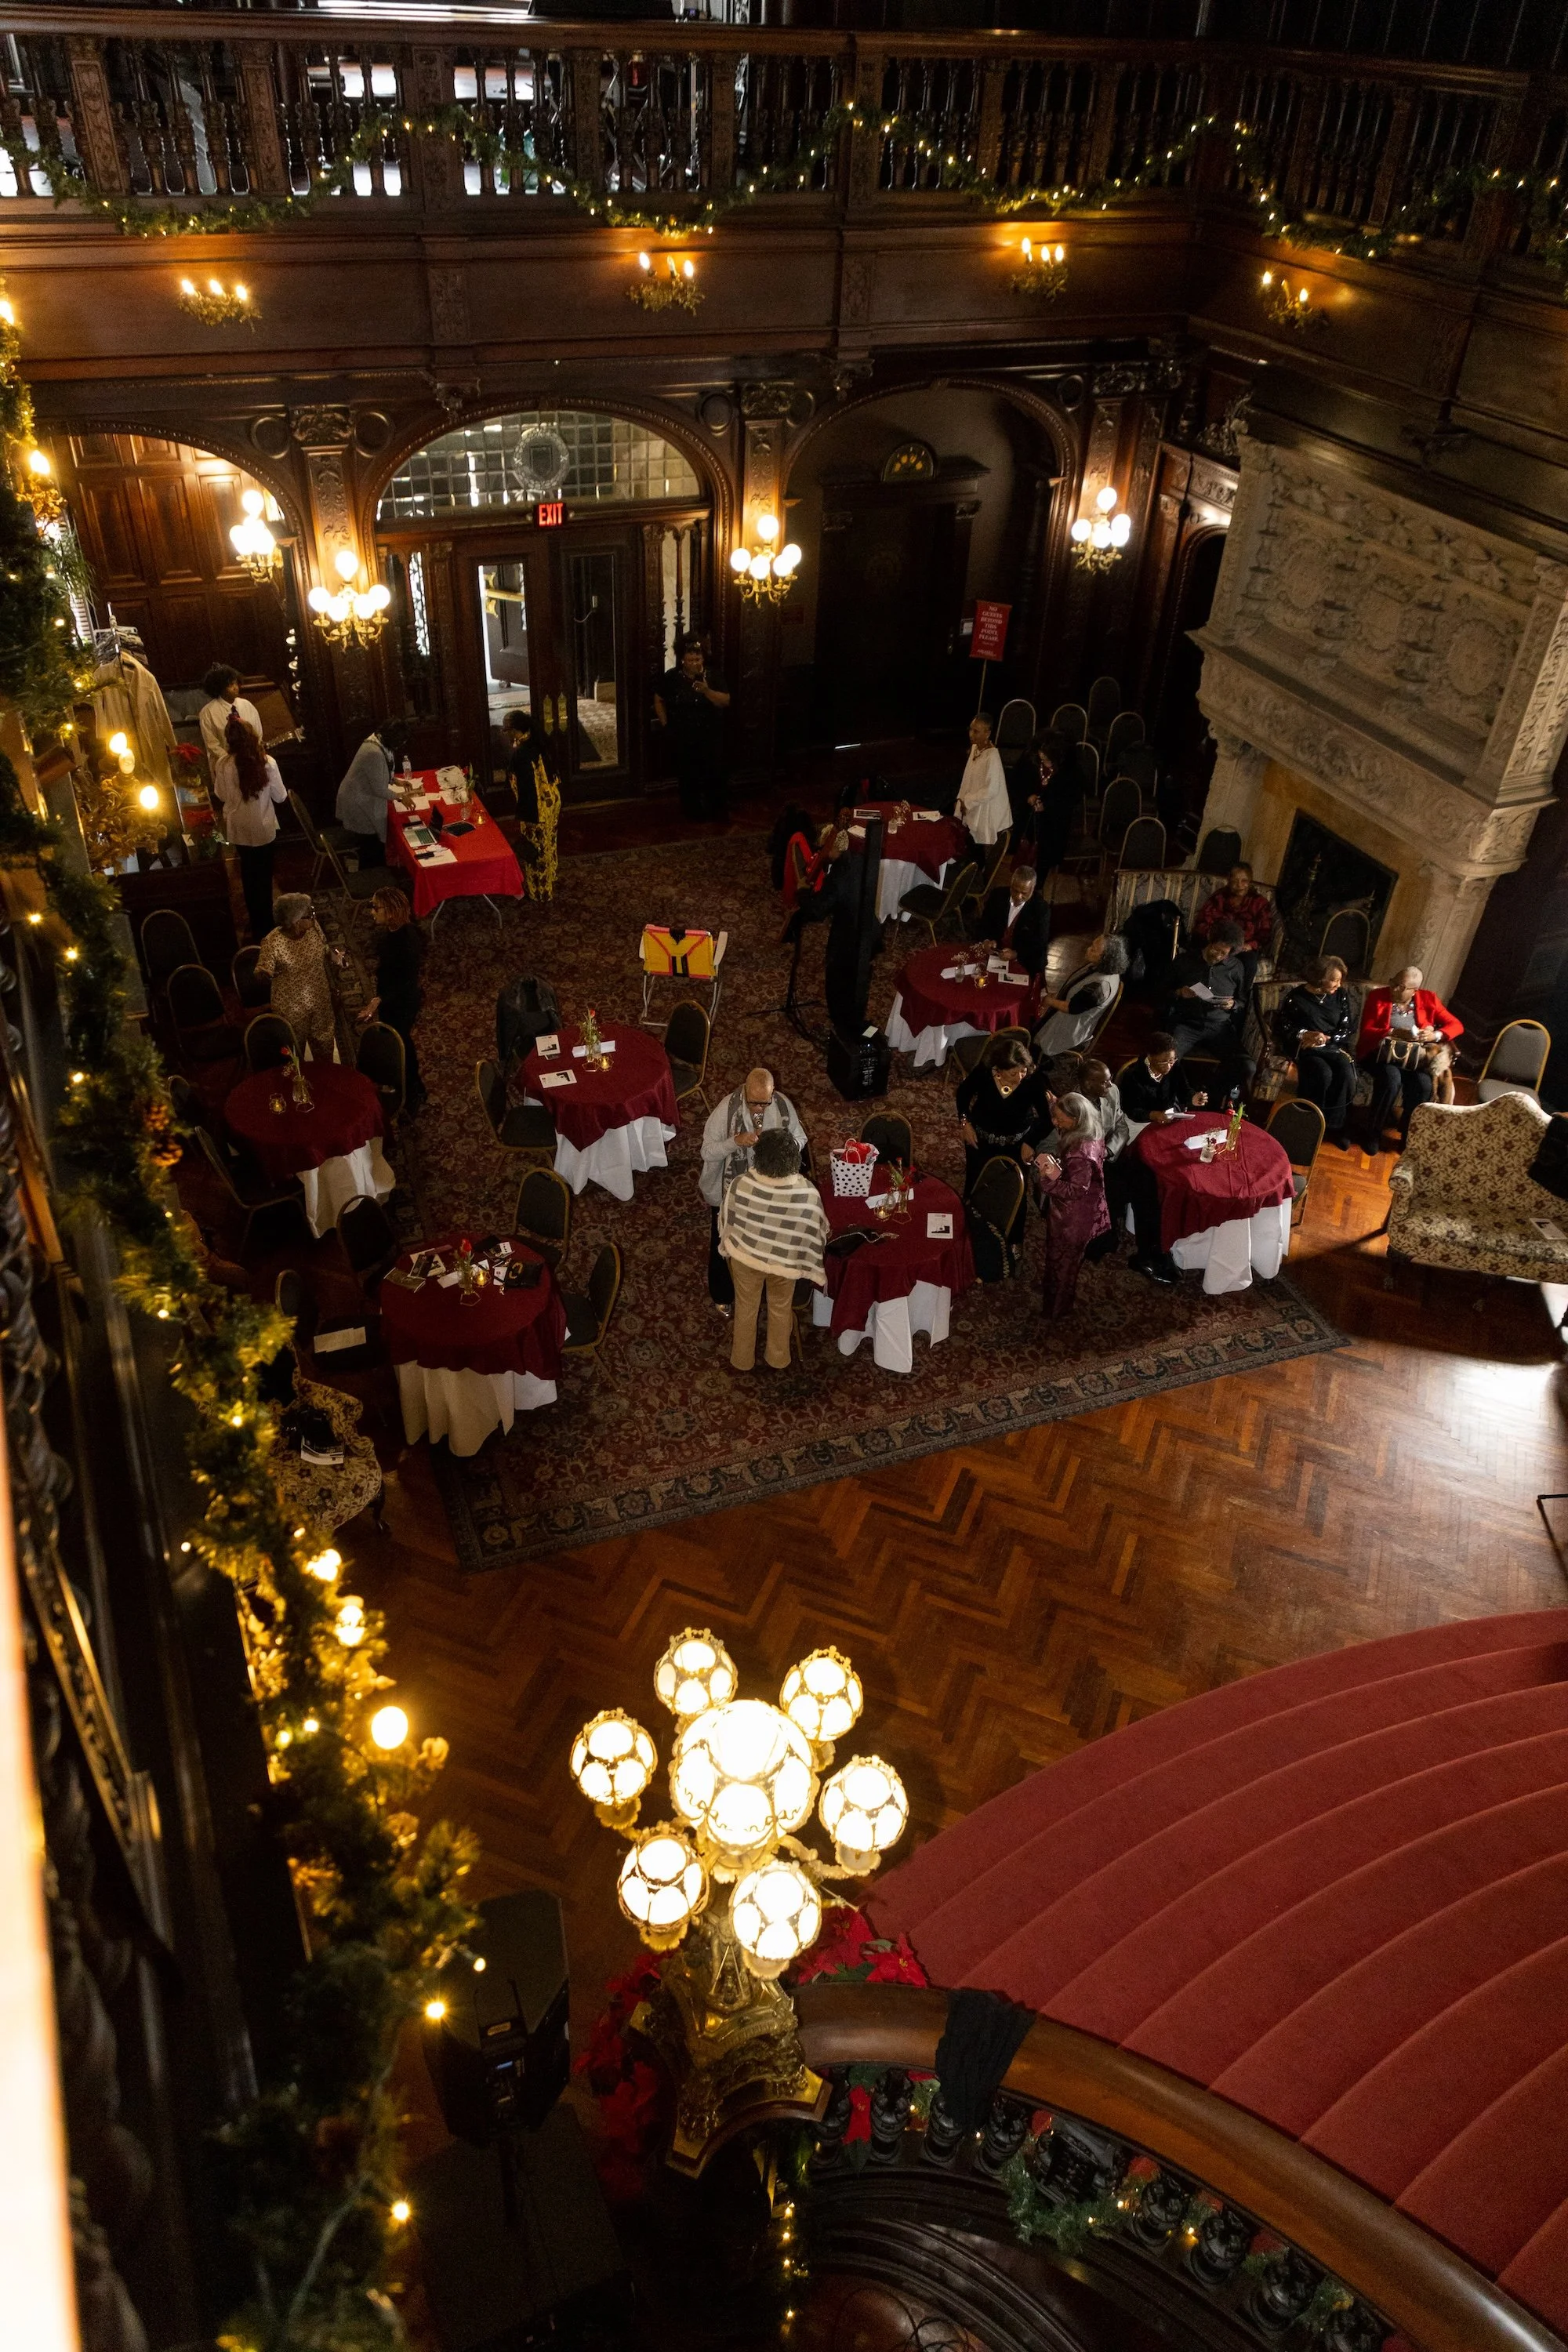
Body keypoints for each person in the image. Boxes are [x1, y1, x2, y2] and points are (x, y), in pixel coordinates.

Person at [719, 1127, 828, 1374]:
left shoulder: (741, 1183)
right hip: (784, 1263)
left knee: (746, 1307)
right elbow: (816, 1230)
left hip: (746, 1259)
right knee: (780, 1306)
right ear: (794, 1159)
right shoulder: (807, 1191)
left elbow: (729, 1223)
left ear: (759, 1157)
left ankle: (742, 1360)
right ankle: (778, 1358)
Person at [699, 1069, 808, 1308]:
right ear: (745, 1091)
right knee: (722, 1242)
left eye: (764, 1102)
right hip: (732, 1190)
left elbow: (801, 1138)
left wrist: (784, 1147)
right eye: (754, 1103)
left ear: (772, 1093)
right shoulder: (726, 1110)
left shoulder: (781, 1106)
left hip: (770, 1188)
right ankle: (723, 1294)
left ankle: (776, 1286)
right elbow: (706, 1152)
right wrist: (735, 1142)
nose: (759, 1109)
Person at [1357, 964, 1462, 1147]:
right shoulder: (1378, 996)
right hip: (1382, 1054)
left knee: (1424, 1084)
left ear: (1415, 990)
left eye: (1401, 986)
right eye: (1393, 982)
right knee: (1391, 1080)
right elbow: (1366, 1031)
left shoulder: (1429, 999)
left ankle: (1408, 1133)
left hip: (1414, 1058)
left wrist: (1434, 1035)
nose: (1393, 988)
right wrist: (1393, 1031)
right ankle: (1372, 1132)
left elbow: (1456, 1025)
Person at [209, 708, 286, 943]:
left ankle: (255, 922)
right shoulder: (267, 763)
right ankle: (267, 925)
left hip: (239, 829)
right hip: (263, 828)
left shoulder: (223, 764)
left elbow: (221, 795)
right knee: (264, 876)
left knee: (248, 875)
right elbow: (281, 797)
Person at [1035, 1093, 1109, 1317]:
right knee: (1063, 1260)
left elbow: (1076, 1190)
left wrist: (1047, 1181)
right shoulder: (1092, 1130)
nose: (1055, 1123)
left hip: (1072, 1217)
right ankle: (1055, 1297)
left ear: (1076, 1119)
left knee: (1063, 1263)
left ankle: (1055, 1309)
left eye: (1060, 1119)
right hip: (1085, 1208)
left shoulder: (1080, 1154)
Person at [357, 886, 427, 1114]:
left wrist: (377, 1001)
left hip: (401, 1002)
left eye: (375, 907)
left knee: (400, 1043)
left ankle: (411, 1091)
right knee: (401, 1042)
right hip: (395, 998)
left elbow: (404, 983)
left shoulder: (405, 943)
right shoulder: (398, 934)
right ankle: (412, 1088)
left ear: (391, 911)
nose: (371, 912)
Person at [1278, 954, 1359, 1145]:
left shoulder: (1341, 996)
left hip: (1333, 1047)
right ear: (1319, 978)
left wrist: (1329, 1038)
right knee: (1322, 1073)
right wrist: (1304, 1034)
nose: (1338, 985)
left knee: (1346, 1072)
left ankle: (1335, 1127)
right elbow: (1284, 1027)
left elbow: (1347, 1028)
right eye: (1334, 980)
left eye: (1340, 980)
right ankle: (1310, 1125)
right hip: (1307, 1049)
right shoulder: (1296, 997)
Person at [956, 1034, 1049, 1197]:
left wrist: (1030, 1143)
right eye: (1013, 1074)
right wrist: (965, 1123)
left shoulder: (1033, 1080)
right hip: (981, 1141)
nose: (1020, 1077)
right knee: (976, 1186)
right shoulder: (985, 1072)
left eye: (1023, 1071)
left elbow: (1047, 1119)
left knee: (1013, 1191)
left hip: (1017, 1145)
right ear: (998, 1069)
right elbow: (963, 1094)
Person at [256, 892, 344, 1062]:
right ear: (295, 922)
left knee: (325, 1048)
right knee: (295, 1056)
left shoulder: (313, 928)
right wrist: (264, 973)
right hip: (292, 1010)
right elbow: (262, 973)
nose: (313, 915)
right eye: (309, 914)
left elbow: (324, 948)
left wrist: (336, 957)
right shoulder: (272, 943)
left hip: (320, 1000)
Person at [654, 635, 731, 822]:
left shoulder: (713, 676)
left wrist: (706, 691)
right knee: (689, 775)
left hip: (710, 735)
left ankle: (715, 809)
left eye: (698, 659)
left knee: (713, 772)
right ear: (682, 660)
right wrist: (665, 725)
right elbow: (658, 699)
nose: (694, 663)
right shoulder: (672, 677)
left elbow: (725, 701)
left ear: (703, 658)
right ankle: (693, 811)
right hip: (684, 735)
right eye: (690, 660)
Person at [1164, 922, 1250, 1081]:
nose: (1218, 955)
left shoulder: (1236, 967)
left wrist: (1233, 1004)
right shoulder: (1185, 960)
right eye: (1215, 949)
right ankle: (1174, 1099)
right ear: (1210, 940)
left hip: (1219, 1027)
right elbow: (1161, 992)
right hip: (1187, 1023)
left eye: (1223, 953)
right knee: (1167, 1061)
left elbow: (1242, 1000)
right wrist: (1179, 993)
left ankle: (1213, 1097)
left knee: (1246, 1066)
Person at [1034, 933, 1130, 1058]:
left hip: (1069, 1028)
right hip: (1067, 1014)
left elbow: (1072, 1008)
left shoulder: (1101, 986)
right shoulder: (1098, 967)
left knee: (1035, 1044)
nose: (1088, 949)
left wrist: (1049, 1001)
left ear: (1105, 958)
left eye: (1094, 950)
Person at [1192, 862, 1276, 996]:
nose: (1240, 885)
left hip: (1243, 946)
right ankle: (1199, 993)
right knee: (1199, 950)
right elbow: (1203, 922)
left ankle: (1239, 1001)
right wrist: (1213, 939)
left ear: (1250, 882)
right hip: (1217, 941)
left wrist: (1250, 945)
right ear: (1229, 880)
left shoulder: (1259, 903)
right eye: (1235, 880)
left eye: (1244, 881)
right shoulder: (1219, 898)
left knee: (1249, 964)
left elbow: (1265, 933)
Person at [973, 861, 1051, 988]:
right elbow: (984, 924)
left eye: (1024, 893)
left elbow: (1039, 945)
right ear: (1011, 884)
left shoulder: (1041, 909)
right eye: (1015, 891)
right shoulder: (997, 896)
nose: (1019, 896)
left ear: (1033, 888)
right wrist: (986, 940)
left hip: (1025, 960)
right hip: (996, 956)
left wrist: (1016, 954)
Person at [1119, 1032, 1210, 1130]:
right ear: (1150, 1057)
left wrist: (1193, 1098)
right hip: (1140, 1122)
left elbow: (1183, 1089)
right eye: (1163, 1062)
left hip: (1167, 1116)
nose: (1168, 1066)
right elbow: (1132, 1110)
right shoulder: (1133, 1075)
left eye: (1171, 1060)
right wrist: (1154, 1115)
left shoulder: (1175, 1066)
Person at [335, 724, 397, 865]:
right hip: (358, 803)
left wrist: (396, 781)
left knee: (371, 842)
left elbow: (377, 774)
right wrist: (400, 797)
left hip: (360, 797)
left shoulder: (376, 743)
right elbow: (379, 789)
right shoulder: (374, 752)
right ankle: (373, 875)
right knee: (370, 843)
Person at [954, 713, 1011, 849]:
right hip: (973, 803)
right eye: (970, 729)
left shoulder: (992, 757)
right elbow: (967, 777)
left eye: (976, 731)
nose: (971, 734)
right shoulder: (975, 748)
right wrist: (960, 800)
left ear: (987, 733)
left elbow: (991, 790)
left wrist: (968, 801)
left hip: (985, 807)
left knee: (981, 843)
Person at [199, 663, 264, 770]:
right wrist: (233, 762)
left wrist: (251, 756)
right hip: (225, 767)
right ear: (220, 688)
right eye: (230, 685)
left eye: (236, 684)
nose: (235, 688)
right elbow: (212, 745)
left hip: (251, 763)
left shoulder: (247, 705)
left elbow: (258, 733)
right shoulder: (208, 712)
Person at [502, 709, 544, 823]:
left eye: (505, 730)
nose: (504, 733)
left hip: (537, 810)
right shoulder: (536, 738)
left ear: (514, 731)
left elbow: (527, 786)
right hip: (550, 801)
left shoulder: (521, 752)